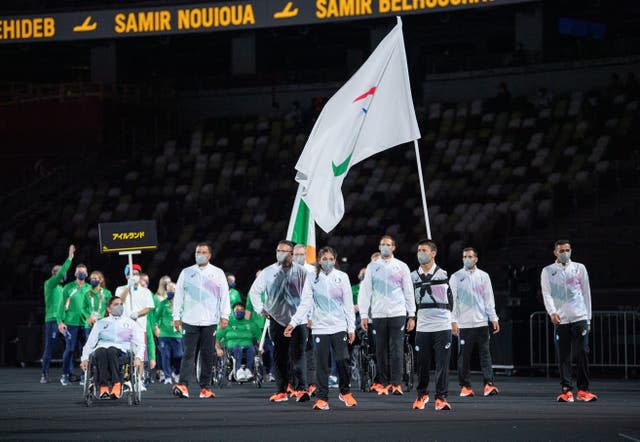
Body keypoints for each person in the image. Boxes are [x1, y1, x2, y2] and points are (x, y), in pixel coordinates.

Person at [285, 246, 357, 410]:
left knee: (342, 359)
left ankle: (345, 391)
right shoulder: (312, 278)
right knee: (322, 364)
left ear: (335, 260)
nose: (328, 262)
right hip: (320, 327)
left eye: (331, 259)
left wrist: (351, 327)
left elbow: (348, 304)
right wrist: (293, 322)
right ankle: (322, 398)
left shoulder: (342, 277)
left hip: (339, 325)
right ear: (319, 260)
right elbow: (305, 303)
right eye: (324, 259)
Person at [248, 240, 309, 403]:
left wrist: (306, 317)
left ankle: (301, 389)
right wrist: (261, 309)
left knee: (298, 355)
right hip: (276, 320)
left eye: (284, 251)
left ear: (291, 254)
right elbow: (254, 292)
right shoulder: (268, 272)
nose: (280, 253)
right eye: (278, 250)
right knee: (280, 356)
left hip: (298, 321)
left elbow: (309, 297)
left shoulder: (302, 272)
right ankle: (282, 390)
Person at [358, 235, 415, 396]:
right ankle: (382, 382)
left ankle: (396, 383)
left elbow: (408, 291)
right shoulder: (372, 267)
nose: (384, 247)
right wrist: (363, 314)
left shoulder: (401, 266)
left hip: (397, 312)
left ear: (393, 247)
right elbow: (365, 292)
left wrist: (411, 314)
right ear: (379, 246)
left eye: (388, 244)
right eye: (382, 244)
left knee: (396, 348)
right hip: (378, 313)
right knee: (380, 350)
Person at [541, 240, 597, 402]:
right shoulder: (548, 271)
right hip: (561, 320)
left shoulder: (579, 268)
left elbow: (587, 293)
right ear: (555, 252)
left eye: (567, 250)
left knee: (583, 353)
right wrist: (552, 312)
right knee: (564, 356)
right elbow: (547, 294)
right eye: (561, 250)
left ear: (571, 250)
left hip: (580, 317)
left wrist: (588, 318)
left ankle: (583, 390)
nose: (565, 253)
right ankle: (566, 390)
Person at [172, 243, 230, 399]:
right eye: (198, 252)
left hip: (210, 320)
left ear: (210, 255)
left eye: (204, 252)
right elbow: (178, 296)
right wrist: (176, 317)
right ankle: (183, 385)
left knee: (207, 354)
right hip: (189, 320)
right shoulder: (187, 272)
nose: (200, 255)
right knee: (188, 354)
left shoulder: (217, 273)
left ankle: (205, 388)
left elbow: (224, 295)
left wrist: (225, 315)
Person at [450, 247, 500, 397]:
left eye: (470, 256)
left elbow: (488, 298)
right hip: (464, 324)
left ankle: (489, 385)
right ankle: (465, 386)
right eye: (464, 256)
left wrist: (494, 318)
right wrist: (453, 321)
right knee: (464, 357)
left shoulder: (484, 276)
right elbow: (451, 301)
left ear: (476, 259)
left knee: (485, 355)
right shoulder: (456, 276)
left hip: (482, 322)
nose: (467, 259)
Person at [410, 240, 453, 411]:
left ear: (433, 253)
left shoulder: (444, 275)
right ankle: (422, 395)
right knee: (422, 364)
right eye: (419, 250)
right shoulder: (412, 276)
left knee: (442, 364)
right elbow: (409, 299)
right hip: (423, 326)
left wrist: (454, 321)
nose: (421, 253)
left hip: (442, 325)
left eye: (424, 250)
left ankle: (441, 398)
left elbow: (453, 300)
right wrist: (411, 317)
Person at [80, 297, 144, 399]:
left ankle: (117, 384)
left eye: (121, 304)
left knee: (111, 350)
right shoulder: (100, 323)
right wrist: (84, 359)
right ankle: (103, 387)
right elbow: (90, 344)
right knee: (101, 351)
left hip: (122, 351)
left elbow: (140, 343)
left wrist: (138, 357)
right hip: (102, 349)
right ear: (109, 309)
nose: (119, 306)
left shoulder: (131, 323)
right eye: (116, 304)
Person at [41, 244, 74, 383]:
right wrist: (70, 258)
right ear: (54, 274)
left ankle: (68, 373)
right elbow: (61, 272)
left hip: (63, 321)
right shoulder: (49, 284)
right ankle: (45, 374)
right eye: (61, 272)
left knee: (69, 345)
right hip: (53, 321)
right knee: (50, 348)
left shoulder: (62, 288)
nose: (64, 274)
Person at [57, 263, 91, 386]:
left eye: (83, 271)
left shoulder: (89, 288)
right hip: (71, 323)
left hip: (86, 324)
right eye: (78, 272)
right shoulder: (68, 287)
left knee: (86, 351)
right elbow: (60, 306)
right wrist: (60, 322)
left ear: (86, 274)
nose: (81, 273)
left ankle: (84, 375)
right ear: (75, 274)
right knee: (70, 349)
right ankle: (65, 375)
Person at [216, 302, 260, 382]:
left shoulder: (251, 324)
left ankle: (248, 371)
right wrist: (218, 349)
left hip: (248, 347)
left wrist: (261, 347)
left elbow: (259, 338)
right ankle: (239, 370)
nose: (239, 311)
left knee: (252, 349)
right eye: (237, 310)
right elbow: (217, 338)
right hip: (232, 348)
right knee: (237, 348)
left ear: (244, 312)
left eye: (241, 310)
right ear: (233, 311)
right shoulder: (227, 324)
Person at [154, 281, 183, 384]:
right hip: (164, 335)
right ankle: (167, 377)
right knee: (165, 355)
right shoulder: (162, 304)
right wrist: (156, 327)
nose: (171, 292)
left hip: (178, 335)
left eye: (173, 290)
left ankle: (176, 372)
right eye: (169, 290)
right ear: (166, 291)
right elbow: (155, 318)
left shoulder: (181, 304)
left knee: (179, 356)